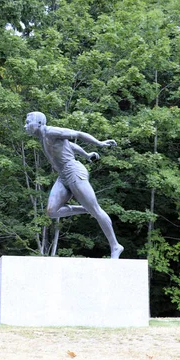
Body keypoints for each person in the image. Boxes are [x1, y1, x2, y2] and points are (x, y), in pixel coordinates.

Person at [24, 111, 124, 259]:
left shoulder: (50, 131)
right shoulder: (44, 138)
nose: (25, 125)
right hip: (63, 176)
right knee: (52, 212)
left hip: (74, 172)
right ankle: (86, 209)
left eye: (27, 122)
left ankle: (115, 246)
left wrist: (99, 143)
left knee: (96, 210)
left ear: (38, 123)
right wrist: (87, 155)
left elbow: (77, 134)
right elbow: (69, 145)